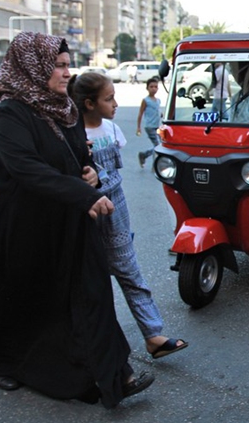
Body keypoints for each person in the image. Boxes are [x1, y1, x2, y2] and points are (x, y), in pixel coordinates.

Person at [0, 31, 153, 408]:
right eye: (58, 65)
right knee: (21, 300)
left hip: (68, 220)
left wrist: (90, 174)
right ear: (32, 66)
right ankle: (4, 362)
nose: (66, 73)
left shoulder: (63, 108)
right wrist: (85, 192)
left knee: (92, 294)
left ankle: (117, 374)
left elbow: (76, 158)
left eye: (68, 65)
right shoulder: (11, 112)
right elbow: (26, 168)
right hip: (21, 227)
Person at [69, 71, 188, 359]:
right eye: (109, 99)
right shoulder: (71, 135)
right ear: (89, 104)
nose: (115, 104)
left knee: (130, 273)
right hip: (84, 216)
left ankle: (153, 335)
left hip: (116, 214)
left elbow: (116, 174)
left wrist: (102, 181)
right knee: (85, 285)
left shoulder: (111, 130)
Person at [136, 77, 162, 168]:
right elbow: (140, 113)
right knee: (158, 145)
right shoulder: (145, 100)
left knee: (161, 144)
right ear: (147, 88)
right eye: (151, 87)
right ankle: (155, 164)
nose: (154, 88)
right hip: (150, 126)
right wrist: (138, 127)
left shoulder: (158, 100)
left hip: (157, 126)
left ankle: (144, 155)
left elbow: (158, 111)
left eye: (155, 87)